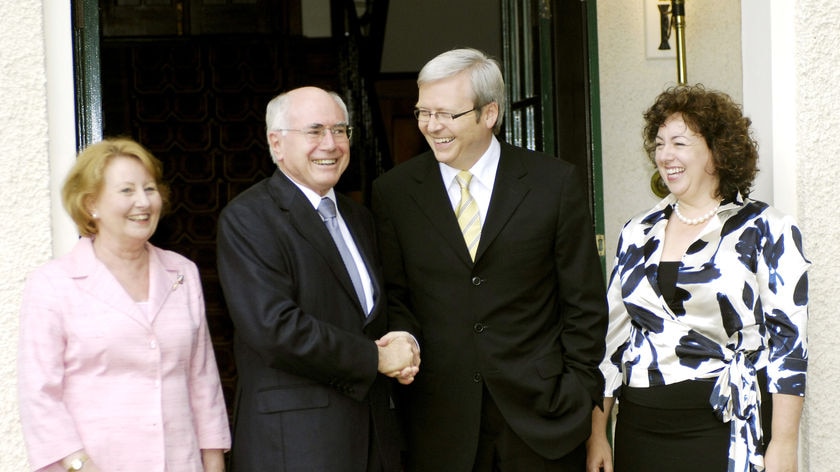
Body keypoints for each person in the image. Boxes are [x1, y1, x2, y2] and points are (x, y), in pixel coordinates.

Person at [372, 47, 608, 471]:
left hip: (544, 420)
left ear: (489, 113)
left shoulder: (553, 183)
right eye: (424, 111)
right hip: (438, 425)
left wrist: (577, 393)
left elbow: (584, 303)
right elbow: (396, 295)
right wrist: (403, 343)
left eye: (446, 114)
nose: (431, 126)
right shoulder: (394, 192)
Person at [585, 85, 809, 472]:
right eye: (659, 144)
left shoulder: (767, 228)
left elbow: (788, 346)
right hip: (640, 429)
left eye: (679, 143)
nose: (665, 155)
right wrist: (597, 433)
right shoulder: (637, 231)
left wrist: (784, 444)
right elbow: (611, 341)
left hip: (722, 425)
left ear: (717, 151)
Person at [216, 86, 419, 472]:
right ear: (276, 144)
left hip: (375, 440)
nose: (331, 143)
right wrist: (375, 357)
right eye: (314, 131)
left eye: (340, 130)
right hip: (297, 446)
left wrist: (404, 339)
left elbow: (384, 303)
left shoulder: (359, 218)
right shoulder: (249, 219)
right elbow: (275, 329)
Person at [18, 138, 231, 472]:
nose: (143, 202)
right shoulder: (53, 284)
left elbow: (202, 380)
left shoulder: (182, 273)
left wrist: (213, 462)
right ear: (91, 204)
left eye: (149, 188)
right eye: (127, 191)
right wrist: (79, 465)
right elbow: (40, 394)